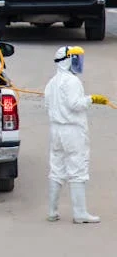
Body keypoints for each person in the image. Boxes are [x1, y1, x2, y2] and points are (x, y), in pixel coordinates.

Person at [44, 46, 109, 224]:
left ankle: (52, 211)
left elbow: (47, 105)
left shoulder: (52, 82)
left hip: (56, 130)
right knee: (78, 171)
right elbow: (75, 104)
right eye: (76, 59)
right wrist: (91, 99)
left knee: (56, 170)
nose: (79, 63)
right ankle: (80, 213)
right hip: (72, 130)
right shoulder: (72, 82)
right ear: (68, 60)